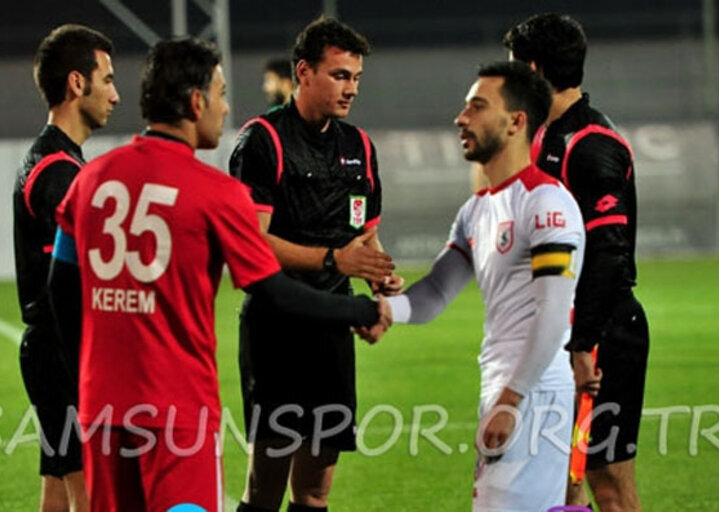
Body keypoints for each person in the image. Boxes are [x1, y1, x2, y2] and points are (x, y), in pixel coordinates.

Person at [47, 36, 390, 512]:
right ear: (196, 102)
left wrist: (88, 373)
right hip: (177, 410)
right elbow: (271, 288)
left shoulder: (91, 178)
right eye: (221, 94)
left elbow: (60, 286)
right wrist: (358, 310)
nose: (225, 108)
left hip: (102, 407)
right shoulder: (213, 192)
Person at [370, 61, 584, 511]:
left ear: (516, 122)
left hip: (535, 390)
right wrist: (388, 309)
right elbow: (436, 292)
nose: (461, 118)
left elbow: (552, 313)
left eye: (477, 107)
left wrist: (513, 397)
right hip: (506, 386)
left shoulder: (546, 201)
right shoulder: (476, 209)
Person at [229, 16, 402, 512]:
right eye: (340, 75)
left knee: (315, 491)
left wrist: (379, 279)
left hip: (332, 324)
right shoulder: (263, 140)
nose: (351, 89)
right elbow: (252, 242)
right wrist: (333, 258)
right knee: (265, 487)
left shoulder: (358, 146)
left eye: (356, 78)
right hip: (276, 327)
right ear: (304, 72)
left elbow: (365, 233)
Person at [505, 13, 651, 512]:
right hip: (559, 332)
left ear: (533, 69)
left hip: (600, 333)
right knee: (557, 483)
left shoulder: (590, 145)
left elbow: (609, 254)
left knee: (607, 483)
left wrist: (584, 344)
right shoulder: (545, 137)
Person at [11, 23, 119, 512]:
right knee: (91, 497)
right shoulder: (59, 172)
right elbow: (72, 283)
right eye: (108, 79)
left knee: (57, 490)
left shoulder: (57, 161)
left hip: (51, 351)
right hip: (63, 352)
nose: (115, 95)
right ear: (78, 83)